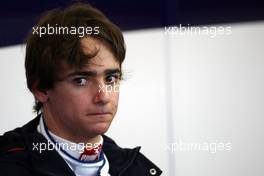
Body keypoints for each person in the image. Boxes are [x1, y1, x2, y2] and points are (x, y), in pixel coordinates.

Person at [0, 3, 162, 176]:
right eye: (81, 80)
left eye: (110, 78)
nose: (104, 96)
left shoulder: (136, 168)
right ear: (41, 89)